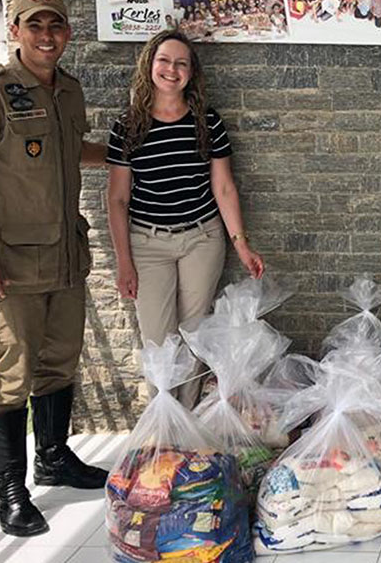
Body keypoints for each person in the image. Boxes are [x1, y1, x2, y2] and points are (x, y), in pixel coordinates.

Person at [0, 0, 109, 537]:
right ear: (16, 31)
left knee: (59, 363)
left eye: (56, 26)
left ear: (67, 33)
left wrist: (126, 151)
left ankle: (54, 457)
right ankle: (7, 491)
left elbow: (69, 150)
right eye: (35, 26)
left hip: (64, 259)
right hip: (8, 268)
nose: (46, 35)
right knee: (10, 376)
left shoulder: (69, 92)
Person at [106, 31, 265, 406]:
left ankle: (188, 424)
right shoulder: (127, 126)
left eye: (181, 63)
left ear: (192, 73)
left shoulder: (207, 122)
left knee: (195, 334)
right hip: (147, 244)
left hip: (201, 239)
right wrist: (124, 262)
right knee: (158, 341)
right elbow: (116, 198)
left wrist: (241, 245)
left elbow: (224, 188)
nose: (172, 70)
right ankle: (164, 422)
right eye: (164, 60)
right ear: (149, 65)